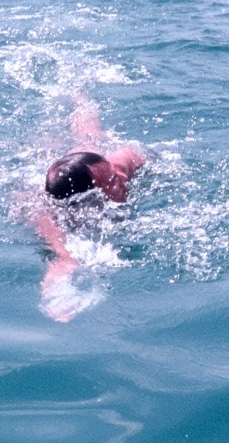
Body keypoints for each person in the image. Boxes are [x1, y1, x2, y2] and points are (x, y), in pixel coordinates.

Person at [30, 93, 145, 321]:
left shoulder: (119, 164)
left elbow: (138, 156)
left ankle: (78, 97)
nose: (121, 180)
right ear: (91, 198)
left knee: (90, 137)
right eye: (111, 182)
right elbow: (61, 256)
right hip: (65, 184)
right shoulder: (48, 212)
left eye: (115, 174)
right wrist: (61, 290)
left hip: (84, 163)